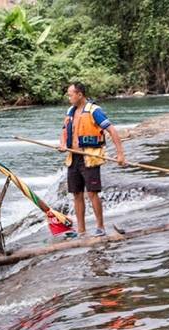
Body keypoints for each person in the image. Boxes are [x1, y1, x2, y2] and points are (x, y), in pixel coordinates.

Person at [59, 82, 126, 237]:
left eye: (71, 94)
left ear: (80, 94)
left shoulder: (94, 110)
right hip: (73, 157)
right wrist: (62, 144)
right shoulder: (70, 111)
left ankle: (100, 227)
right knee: (76, 193)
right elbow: (64, 130)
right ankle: (81, 230)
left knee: (92, 193)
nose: (69, 98)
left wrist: (120, 154)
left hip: (90, 157)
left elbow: (112, 130)